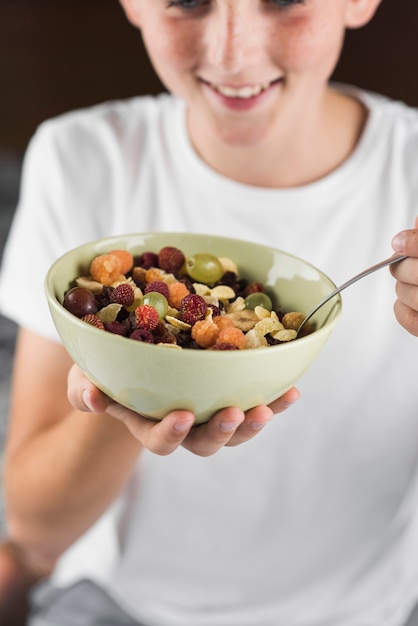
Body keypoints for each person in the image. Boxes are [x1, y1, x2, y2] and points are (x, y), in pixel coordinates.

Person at [1, 0, 418, 624]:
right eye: (188, 1)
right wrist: (129, 385)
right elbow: (34, 529)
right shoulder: (82, 158)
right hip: (119, 604)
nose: (232, 51)